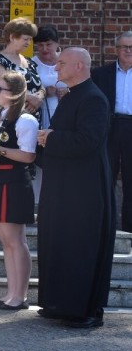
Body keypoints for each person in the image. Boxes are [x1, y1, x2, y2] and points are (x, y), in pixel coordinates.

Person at [36, 47, 115, 328]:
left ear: (79, 66)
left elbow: (87, 141)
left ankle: (84, 309)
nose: (56, 68)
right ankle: (60, 303)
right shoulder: (72, 96)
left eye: (61, 63)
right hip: (64, 188)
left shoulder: (93, 98)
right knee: (60, 242)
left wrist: (51, 138)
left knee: (80, 246)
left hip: (84, 191)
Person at [0, 71, 37, 311]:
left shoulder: (25, 120)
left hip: (14, 183)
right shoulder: (2, 115)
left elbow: (28, 155)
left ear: (14, 95)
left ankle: (19, 296)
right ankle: (10, 293)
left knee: (16, 241)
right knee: (5, 241)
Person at [93, 31, 132, 233]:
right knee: (105, 177)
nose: (128, 51)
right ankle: (105, 227)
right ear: (116, 50)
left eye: (131, 47)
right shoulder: (101, 74)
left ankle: (129, 230)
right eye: (124, 47)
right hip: (110, 128)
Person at [30, 24, 67, 199]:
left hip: (64, 116)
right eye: (41, 45)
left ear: (57, 44)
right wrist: (45, 91)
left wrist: (67, 92)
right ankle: (38, 202)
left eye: (49, 44)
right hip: (41, 115)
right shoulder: (32, 64)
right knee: (40, 159)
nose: (44, 49)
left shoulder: (66, 61)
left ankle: (59, 198)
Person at [0, 17, 45, 127]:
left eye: (30, 39)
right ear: (12, 37)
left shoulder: (29, 61)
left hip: (34, 119)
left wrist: (40, 96)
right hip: (13, 119)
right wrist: (30, 98)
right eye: (25, 39)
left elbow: (40, 85)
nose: (28, 43)